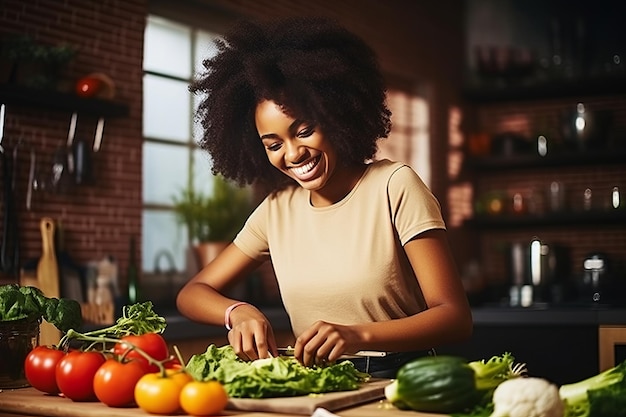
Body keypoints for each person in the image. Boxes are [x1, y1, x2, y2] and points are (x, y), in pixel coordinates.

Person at [176, 16, 472, 378]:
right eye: (273, 144)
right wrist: (237, 311)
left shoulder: (394, 185)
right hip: (318, 381)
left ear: (335, 115)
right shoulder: (275, 212)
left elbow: (455, 318)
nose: (293, 154)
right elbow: (193, 292)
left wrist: (357, 335)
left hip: (401, 378)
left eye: (304, 131)